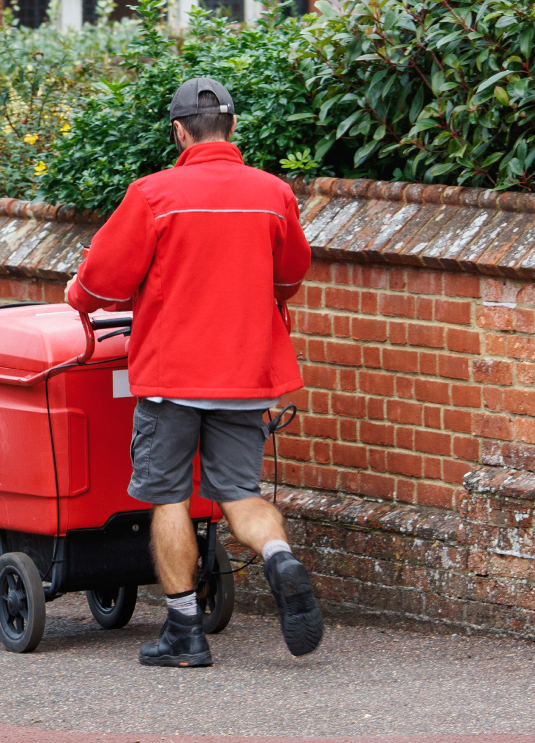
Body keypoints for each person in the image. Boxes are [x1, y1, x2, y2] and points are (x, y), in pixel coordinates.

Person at [65, 76, 323, 668]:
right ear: (233, 128)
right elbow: (290, 276)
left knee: (169, 495)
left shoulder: (155, 193)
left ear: (179, 131)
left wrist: (78, 297)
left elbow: (105, 278)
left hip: (172, 375)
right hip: (245, 372)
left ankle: (184, 633)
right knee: (239, 494)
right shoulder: (272, 194)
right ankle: (279, 554)